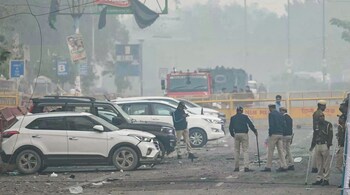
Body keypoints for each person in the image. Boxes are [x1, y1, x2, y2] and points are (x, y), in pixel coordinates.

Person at [229, 106, 258, 172]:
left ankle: (236, 167)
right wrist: (255, 131)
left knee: (236, 151)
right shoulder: (245, 117)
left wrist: (233, 135)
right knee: (245, 150)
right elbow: (250, 124)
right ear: (242, 111)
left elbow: (230, 128)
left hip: (236, 134)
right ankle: (246, 167)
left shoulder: (233, 118)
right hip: (244, 134)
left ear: (236, 111)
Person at [261, 104, 288, 172]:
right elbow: (284, 124)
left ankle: (268, 166)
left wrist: (270, 133)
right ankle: (284, 165)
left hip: (274, 134)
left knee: (270, 151)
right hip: (280, 134)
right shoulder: (281, 114)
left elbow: (271, 124)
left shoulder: (271, 114)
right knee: (281, 151)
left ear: (270, 108)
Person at [310, 113, 333, 186]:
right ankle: (319, 178)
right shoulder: (316, 125)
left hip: (324, 145)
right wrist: (312, 145)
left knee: (326, 164)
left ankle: (326, 179)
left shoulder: (328, 124)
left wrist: (328, 145)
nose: (321, 118)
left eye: (323, 116)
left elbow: (330, 135)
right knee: (319, 164)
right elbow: (314, 135)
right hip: (317, 145)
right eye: (320, 116)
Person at [311, 100, 327, 173]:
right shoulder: (319, 114)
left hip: (318, 133)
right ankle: (316, 167)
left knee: (316, 150)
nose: (325, 107)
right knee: (317, 151)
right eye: (324, 106)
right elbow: (317, 125)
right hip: (319, 133)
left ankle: (314, 166)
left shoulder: (317, 113)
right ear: (320, 106)